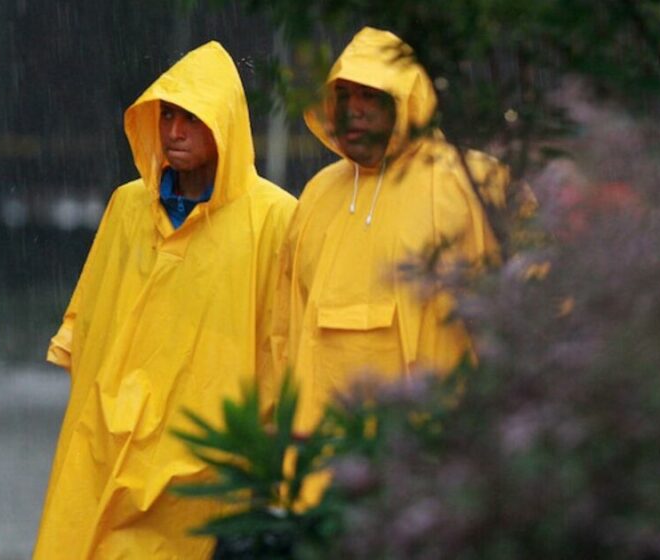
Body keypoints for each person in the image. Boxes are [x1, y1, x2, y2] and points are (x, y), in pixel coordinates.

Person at [33, 41, 296, 559]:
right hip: (110, 439)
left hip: (202, 459)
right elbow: (89, 321)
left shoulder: (275, 219)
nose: (174, 132)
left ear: (225, 124)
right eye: (167, 115)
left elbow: (281, 345)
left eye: (192, 119)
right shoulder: (129, 206)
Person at [272, 27, 521, 437]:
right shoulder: (317, 194)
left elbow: (531, 304)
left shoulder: (472, 180)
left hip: (438, 446)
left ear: (407, 101)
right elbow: (284, 324)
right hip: (326, 452)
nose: (354, 110)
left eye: (370, 96)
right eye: (344, 96)